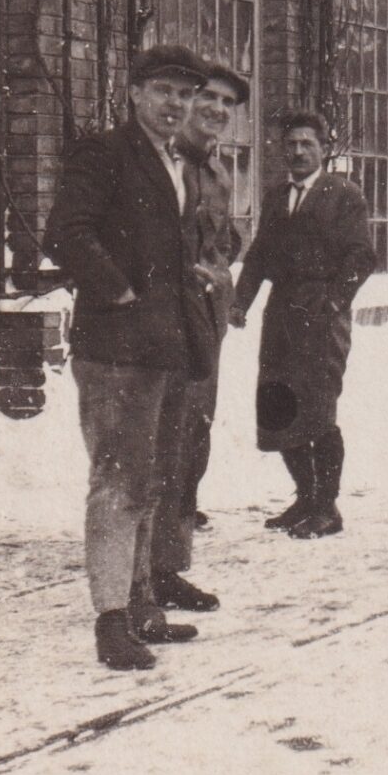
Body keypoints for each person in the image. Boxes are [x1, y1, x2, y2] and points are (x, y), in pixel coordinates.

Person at [42, 44, 218, 671]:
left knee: (150, 481)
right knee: (118, 483)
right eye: (165, 91)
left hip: (166, 348)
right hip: (117, 349)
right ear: (135, 93)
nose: (177, 104)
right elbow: (65, 231)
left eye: (186, 94)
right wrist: (116, 287)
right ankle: (111, 621)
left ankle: (143, 604)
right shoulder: (105, 152)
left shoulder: (179, 162)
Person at [232, 111, 376, 540]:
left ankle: (326, 507)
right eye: (291, 144)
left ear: (323, 149)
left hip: (321, 315)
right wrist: (241, 302)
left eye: (306, 144)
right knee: (279, 405)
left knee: (317, 406)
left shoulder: (343, 195)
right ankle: (305, 496)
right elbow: (258, 255)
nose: (297, 152)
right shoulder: (277, 197)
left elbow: (361, 257)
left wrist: (334, 301)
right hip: (280, 313)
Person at [150, 63, 248, 613]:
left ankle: (169, 564)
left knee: (191, 442)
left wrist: (222, 266)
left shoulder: (216, 174)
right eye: (207, 97)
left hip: (205, 327)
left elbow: (222, 239)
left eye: (227, 103)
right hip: (166, 323)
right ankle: (148, 571)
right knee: (163, 444)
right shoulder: (165, 167)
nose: (215, 109)